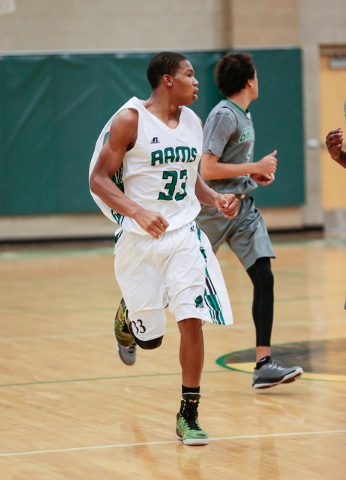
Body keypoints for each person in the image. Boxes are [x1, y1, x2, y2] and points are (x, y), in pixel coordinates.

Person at [89, 52, 239, 445]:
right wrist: (136, 212)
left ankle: (188, 414)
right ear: (167, 80)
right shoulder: (130, 120)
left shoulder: (193, 122)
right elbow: (99, 180)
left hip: (184, 235)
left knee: (192, 316)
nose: (197, 81)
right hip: (140, 240)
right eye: (190, 75)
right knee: (150, 338)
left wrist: (216, 199)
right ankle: (128, 316)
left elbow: (191, 182)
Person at [197, 52, 303, 389]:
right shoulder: (223, 115)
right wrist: (253, 167)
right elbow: (207, 169)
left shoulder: (244, 114)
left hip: (241, 210)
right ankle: (130, 312)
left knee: (265, 278)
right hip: (212, 210)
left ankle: (263, 364)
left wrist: (254, 178)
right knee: (175, 278)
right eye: (256, 74)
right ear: (249, 80)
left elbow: (233, 167)